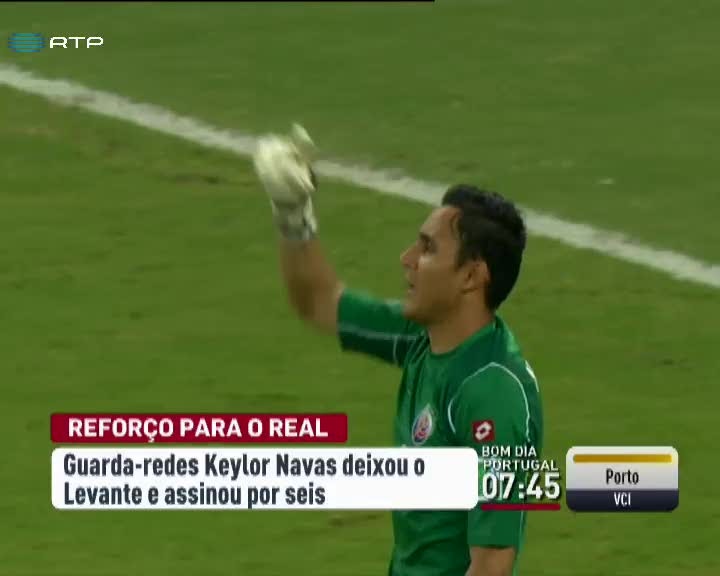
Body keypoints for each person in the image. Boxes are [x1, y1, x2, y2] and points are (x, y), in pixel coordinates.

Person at [252, 125, 543, 576]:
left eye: (427, 249)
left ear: (471, 276)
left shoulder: (493, 393)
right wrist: (293, 215)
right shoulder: (422, 336)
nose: (406, 259)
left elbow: (492, 564)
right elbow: (318, 302)